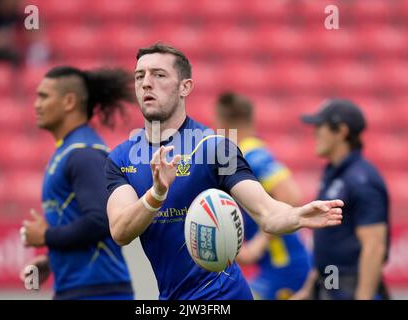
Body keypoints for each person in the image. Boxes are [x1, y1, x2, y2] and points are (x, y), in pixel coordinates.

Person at [104, 43, 343, 300]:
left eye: (159, 75)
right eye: (140, 76)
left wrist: (297, 216)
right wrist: (157, 194)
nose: (146, 83)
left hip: (223, 296)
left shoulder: (215, 147)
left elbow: (266, 212)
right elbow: (120, 231)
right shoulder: (121, 157)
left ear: (185, 87)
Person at [19, 66, 134, 300]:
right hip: (79, 289)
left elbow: (101, 220)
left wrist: (47, 237)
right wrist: (54, 259)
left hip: (100, 292)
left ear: (69, 101)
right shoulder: (69, 149)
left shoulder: (84, 153)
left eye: (44, 96)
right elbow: (78, 220)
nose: (36, 104)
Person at [215, 92, 311, 300]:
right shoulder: (249, 153)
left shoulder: (251, 156)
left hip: (285, 265)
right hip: (276, 267)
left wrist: (259, 243)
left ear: (224, 124)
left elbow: (291, 194)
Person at [294, 99, 390, 300]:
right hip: (330, 285)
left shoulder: (362, 179)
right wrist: (310, 289)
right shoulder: (334, 173)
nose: (315, 132)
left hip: (350, 288)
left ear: (342, 131)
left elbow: (374, 246)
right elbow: (330, 239)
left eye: (320, 126)